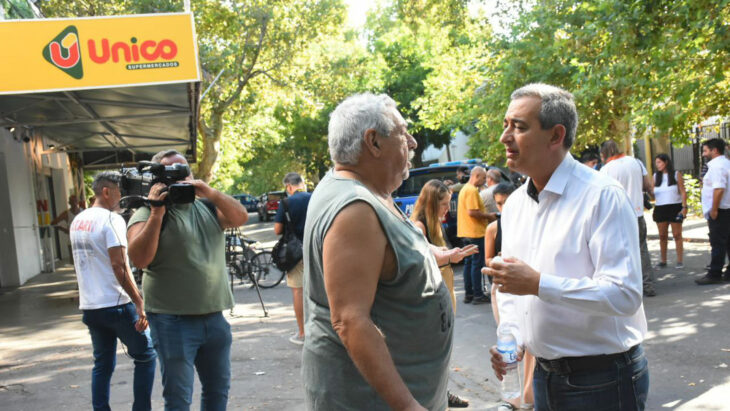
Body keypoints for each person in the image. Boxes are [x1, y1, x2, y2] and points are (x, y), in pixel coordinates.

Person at [484, 83, 649, 410]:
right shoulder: (515, 204)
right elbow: (511, 287)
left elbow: (625, 294)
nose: (505, 136)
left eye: (518, 127)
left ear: (556, 136)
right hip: (544, 376)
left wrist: (538, 283)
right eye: (506, 125)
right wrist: (513, 341)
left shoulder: (602, 195)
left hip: (602, 378)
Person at [302, 93, 453, 410]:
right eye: (403, 131)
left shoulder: (364, 190)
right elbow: (349, 320)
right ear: (373, 142)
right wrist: (409, 406)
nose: (412, 142)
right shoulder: (355, 207)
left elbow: (385, 259)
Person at [127, 149, 248, 410]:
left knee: (218, 392)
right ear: (158, 179)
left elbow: (241, 217)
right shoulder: (146, 214)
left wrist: (212, 193)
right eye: (170, 171)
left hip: (214, 317)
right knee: (179, 398)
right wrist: (157, 212)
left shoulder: (207, 207)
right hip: (173, 321)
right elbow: (139, 259)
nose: (179, 176)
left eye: (183, 169)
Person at [70, 172, 156, 411]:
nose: (123, 198)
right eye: (120, 192)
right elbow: (119, 265)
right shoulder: (111, 220)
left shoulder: (78, 220)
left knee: (103, 363)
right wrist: (139, 301)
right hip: (116, 304)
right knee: (147, 356)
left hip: (90, 306)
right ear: (106, 192)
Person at [411, 179, 478, 408]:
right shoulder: (419, 227)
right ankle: (437, 396)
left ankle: (443, 392)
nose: (447, 209)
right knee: (436, 350)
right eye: (444, 204)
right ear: (430, 204)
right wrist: (451, 256)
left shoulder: (436, 223)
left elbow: (441, 253)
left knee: (446, 348)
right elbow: (423, 261)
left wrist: (454, 254)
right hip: (432, 294)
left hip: (446, 288)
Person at [483, 182, 534, 411]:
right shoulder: (494, 227)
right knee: (509, 339)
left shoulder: (529, 222)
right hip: (504, 289)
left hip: (530, 288)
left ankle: (529, 397)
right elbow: (487, 259)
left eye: (506, 202)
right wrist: (498, 263)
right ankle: (512, 400)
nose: (503, 207)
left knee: (532, 345)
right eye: (499, 203)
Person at [599, 140, 656, 297]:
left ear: (604, 154)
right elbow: (647, 186)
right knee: (642, 249)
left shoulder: (605, 170)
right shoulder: (636, 162)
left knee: (623, 253)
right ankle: (648, 284)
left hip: (618, 217)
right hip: (637, 214)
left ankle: (630, 286)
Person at [273, 172, 311, 345]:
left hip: (295, 253)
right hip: (316, 248)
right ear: (302, 183)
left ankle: (303, 332)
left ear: (288, 186)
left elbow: (277, 230)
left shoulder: (286, 202)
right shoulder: (314, 197)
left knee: (298, 290)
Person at [457, 166, 495, 304]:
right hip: (475, 232)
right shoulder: (472, 190)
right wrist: (488, 216)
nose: (485, 181)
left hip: (465, 232)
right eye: (484, 177)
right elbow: (472, 212)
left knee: (468, 263)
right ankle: (478, 294)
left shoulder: (464, 189)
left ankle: (469, 294)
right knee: (476, 264)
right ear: (477, 176)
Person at [695, 138, 730, 285]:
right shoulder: (726, 163)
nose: (703, 154)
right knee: (727, 241)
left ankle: (714, 272)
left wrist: (714, 209)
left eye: (705, 150)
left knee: (717, 242)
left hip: (720, 210)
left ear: (714, 150)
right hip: (725, 209)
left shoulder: (717, 166)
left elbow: (719, 188)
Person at [651, 154, 688, 269]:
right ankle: (663, 260)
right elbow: (651, 192)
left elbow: (682, 191)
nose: (657, 165)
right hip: (660, 208)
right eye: (656, 163)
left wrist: (684, 207)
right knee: (662, 235)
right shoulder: (655, 176)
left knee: (677, 234)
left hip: (675, 207)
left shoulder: (676, 174)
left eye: (659, 162)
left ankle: (680, 260)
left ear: (666, 162)